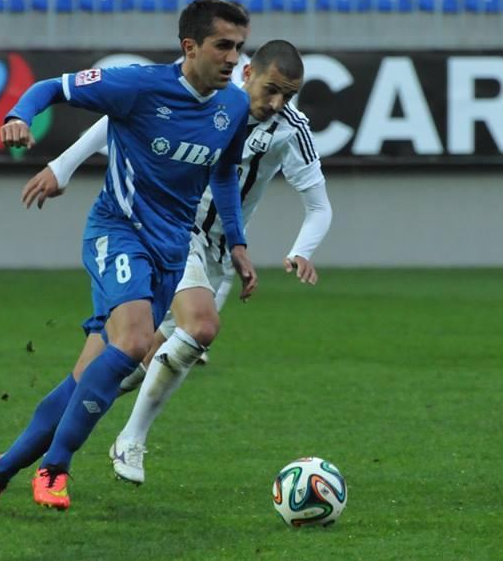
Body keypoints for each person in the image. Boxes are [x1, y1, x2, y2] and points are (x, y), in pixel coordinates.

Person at [0, 0, 258, 513]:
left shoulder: (232, 106)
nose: (233, 58)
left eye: (239, 47)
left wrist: (237, 242)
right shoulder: (138, 85)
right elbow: (51, 87)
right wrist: (18, 116)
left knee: (90, 375)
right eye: (223, 46)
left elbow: (225, 174)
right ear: (190, 47)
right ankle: (55, 468)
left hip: (171, 250)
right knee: (137, 340)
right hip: (118, 231)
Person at [27, 40, 332, 485]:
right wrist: (63, 165)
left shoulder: (291, 128)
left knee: (120, 366)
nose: (277, 104)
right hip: (171, 229)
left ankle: (25, 452)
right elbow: (119, 118)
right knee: (201, 326)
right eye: (271, 90)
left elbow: (320, 206)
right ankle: (129, 440)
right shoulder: (206, 90)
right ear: (248, 73)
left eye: (288, 96)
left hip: (220, 256)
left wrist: (301, 250)